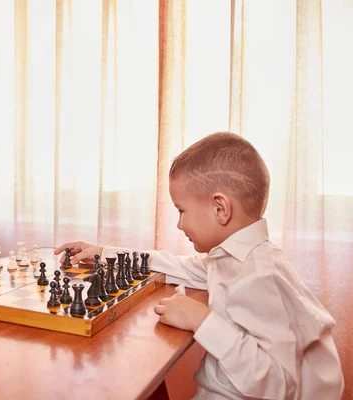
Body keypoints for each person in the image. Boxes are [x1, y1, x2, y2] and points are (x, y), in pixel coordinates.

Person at [55, 132, 344, 399]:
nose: (179, 223)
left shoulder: (259, 276)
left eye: (181, 210)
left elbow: (278, 385)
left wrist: (202, 320)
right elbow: (175, 265)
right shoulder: (237, 258)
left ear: (220, 208)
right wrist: (103, 252)